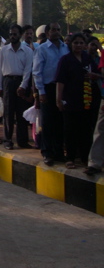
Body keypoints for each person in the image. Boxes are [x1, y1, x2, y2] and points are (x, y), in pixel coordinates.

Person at [55, 33, 100, 169]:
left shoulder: (87, 58)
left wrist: (94, 76)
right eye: (76, 43)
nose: (79, 45)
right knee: (70, 130)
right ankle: (70, 158)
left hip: (86, 100)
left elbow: (99, 74)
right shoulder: (65, 60)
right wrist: (58, 99)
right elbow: (60, 81)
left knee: (85, 130)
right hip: (70, 99)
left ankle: (86, 158)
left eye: (81, 43)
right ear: (71, 44)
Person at [32, 22, 69, 165]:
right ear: (47, 33)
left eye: (58, 30)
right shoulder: (42, 49)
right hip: (47, 88)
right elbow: (37, 72)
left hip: (63, 89)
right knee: (47, 122)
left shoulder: (66, 48)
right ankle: (47, 152)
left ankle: (59, 152)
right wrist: (41, 92)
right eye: (53, 30)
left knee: (61, 121)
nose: (56, 32)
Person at [0, 24, 33, 150]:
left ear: (20, 35)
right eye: (11, 34)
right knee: (8, 113)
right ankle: (8, 140)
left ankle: (22, 141)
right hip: (8, 82)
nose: (12, 36)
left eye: (15, 34)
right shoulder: (4, 50)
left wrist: (23, 86)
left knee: (22, 113)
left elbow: (28, 70)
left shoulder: (27, 50)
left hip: (22, 81)